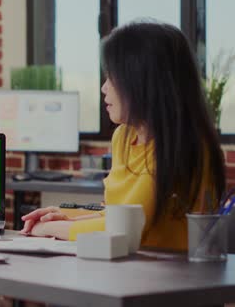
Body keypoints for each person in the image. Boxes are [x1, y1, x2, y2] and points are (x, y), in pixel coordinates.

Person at [20, 21, 226, 251]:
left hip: (169, 278)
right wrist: (68, 218)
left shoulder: (182, 147)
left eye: (112, 77)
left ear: (142, 81)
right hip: (126, 269)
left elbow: (126, 229)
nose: (103, 88)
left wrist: (48, 229)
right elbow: (116, 214)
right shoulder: (125, 137)